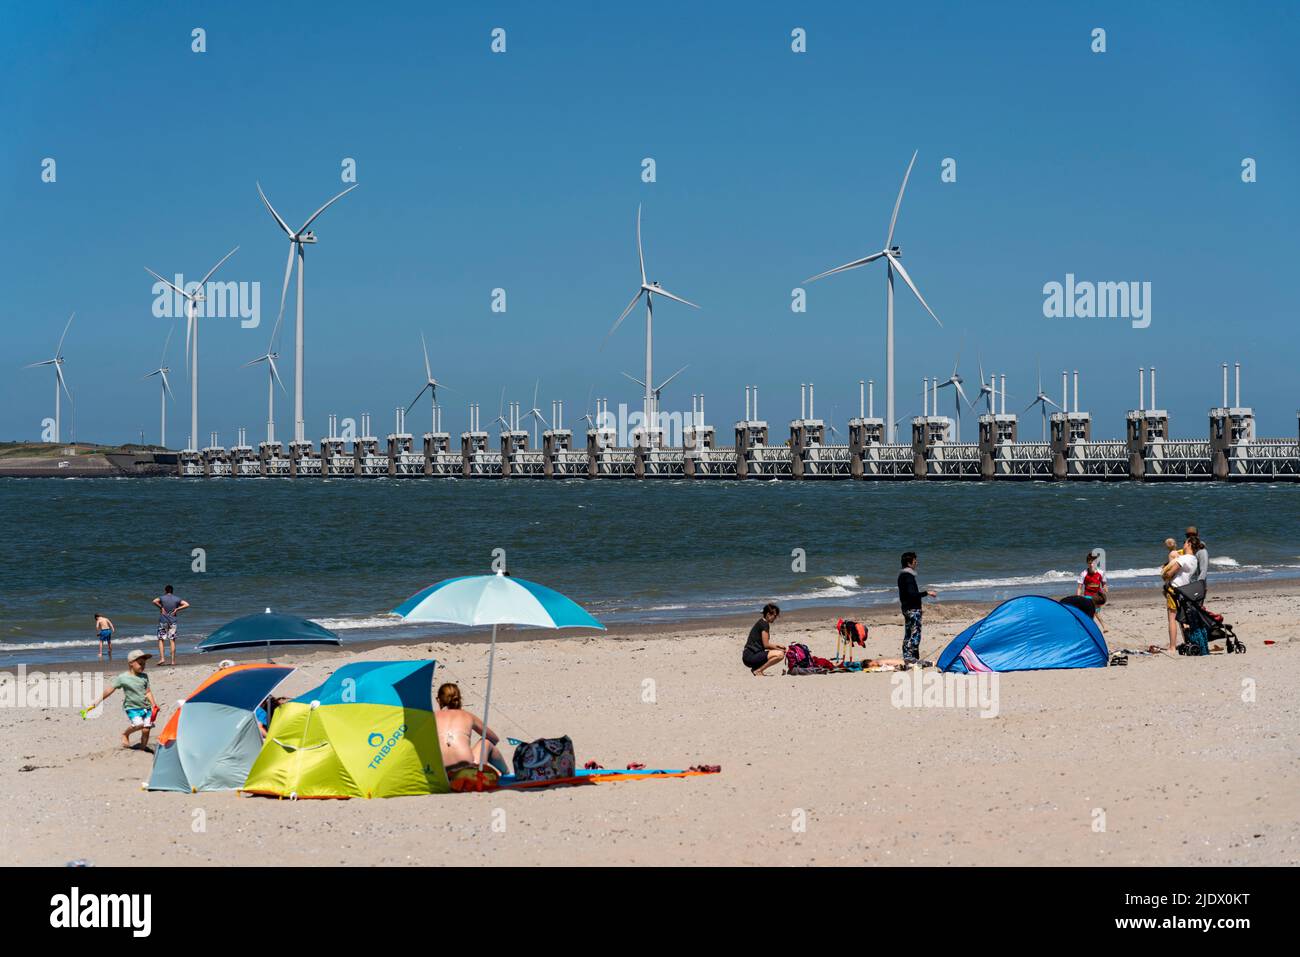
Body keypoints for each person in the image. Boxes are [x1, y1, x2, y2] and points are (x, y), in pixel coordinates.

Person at [84, 649, 159, 750]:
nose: (143, 666)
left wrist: (153, 704)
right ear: (131, 663)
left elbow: (148, 692)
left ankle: (142, 749)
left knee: (146, 729)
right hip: (132, 707)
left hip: (146, 707)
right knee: (139, 724)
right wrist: (97, 702)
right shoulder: (123, 678)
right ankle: (125, 734)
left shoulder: (144, 676)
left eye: (144, 664)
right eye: (140, 663)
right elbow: (109, 690)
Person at [434, 682, 508, 776]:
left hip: (440, 773)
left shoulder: (430, 717)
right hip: (468, 771)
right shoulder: (467, 715)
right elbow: (494, 739)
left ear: (438, 700)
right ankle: (506, 773)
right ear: (459, 698)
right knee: (486, 742)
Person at [898, 552, 937, 665]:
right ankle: (911, 657)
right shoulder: (908, 577)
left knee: (908, 633)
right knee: (915, 633)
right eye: (915, 561)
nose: (916, 563)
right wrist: (927, 593)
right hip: (913, 609)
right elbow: (912, 594)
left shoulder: (902, 576)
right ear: (909, 563)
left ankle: (907, 656)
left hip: (906, 608)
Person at [1160, 538, 1199, 652]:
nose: (1184, 544)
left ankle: (1172, 647)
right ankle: (1189, 641)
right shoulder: (1194, 559)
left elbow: (1169, 574)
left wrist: (1164, 572)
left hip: (1175, 589)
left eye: (1185, 542)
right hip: (1185, 590)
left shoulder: (1184, 559)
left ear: (1189, 544)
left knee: (1172, 619)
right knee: (1184, 618)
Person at [742, 603, 784, 675]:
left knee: (777, 652)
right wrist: (780, 649)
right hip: (750, 655)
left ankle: (756, 668)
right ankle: (759, 670)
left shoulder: (761, 622)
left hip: (749, 655)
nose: (775, 618)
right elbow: (766, 645)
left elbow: (763, 644)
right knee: (780, 654)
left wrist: (778, 646)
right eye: (775, 616)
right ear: (768, 614)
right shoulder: (764, 624)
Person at [151, 585, 189, 666]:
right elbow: (187, 604)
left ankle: (162, 658)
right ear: (172, 591)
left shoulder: (162, 598)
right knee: (172, 640)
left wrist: (161, 607)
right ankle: (172, 661)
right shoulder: (176, 598)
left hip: (163, 621)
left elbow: (154, 601)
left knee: (161, 639)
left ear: (165, 590)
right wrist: (177, 609)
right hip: (173, 621)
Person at [1075, 553, 1108, 633]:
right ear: (1087, 563)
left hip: (1097, 596)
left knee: (1096, 612)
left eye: (1093, 562)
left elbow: (1104, 584)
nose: (1091, 564)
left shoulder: (1101, 572)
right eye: (1090, 563)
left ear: (1096, 563)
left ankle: (1096, 626)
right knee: (1091, 611)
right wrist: (1077, 598)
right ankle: (1102, 627)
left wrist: (1105, 588)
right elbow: (1079, 588)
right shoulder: (1084, 573)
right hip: (1088, 595)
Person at [1184, 526, 1209, 603]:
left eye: (1193, 535)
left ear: (1197, 536)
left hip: (1197, 585)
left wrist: (1199, 586)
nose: (1190, 537)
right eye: (1189, 535)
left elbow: (1203, 570)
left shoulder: (1202, 551)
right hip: (1187, 585)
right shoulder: (1187, 549)